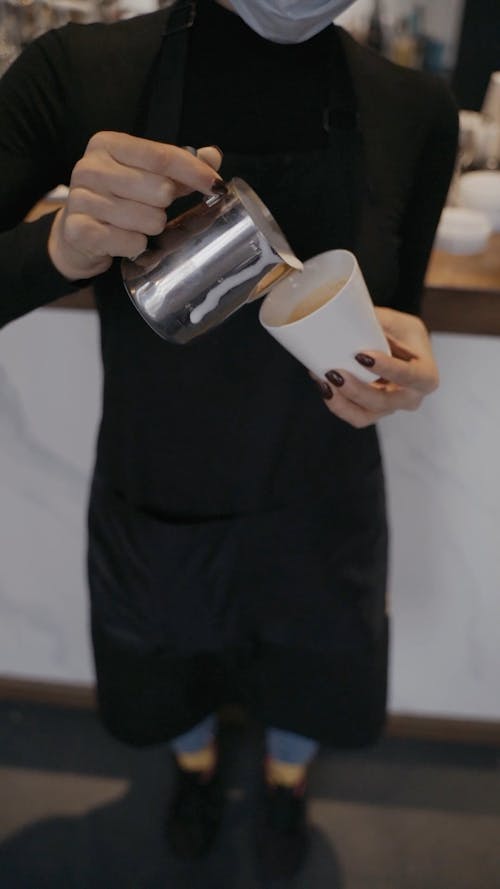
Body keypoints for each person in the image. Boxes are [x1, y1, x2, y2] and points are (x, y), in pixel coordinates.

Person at [0, 0, 457, 879]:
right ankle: (197, 771)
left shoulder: (417, 110)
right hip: (161, 483)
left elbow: (403, 316)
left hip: (324, 493)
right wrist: (57, 246)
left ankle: (285, 785)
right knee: (170, 678)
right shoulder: (82, 74)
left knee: (311, 678)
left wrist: (408, 371)